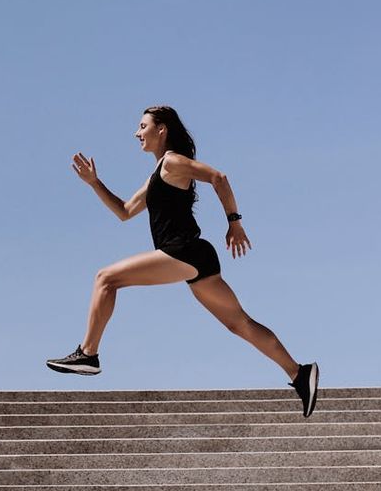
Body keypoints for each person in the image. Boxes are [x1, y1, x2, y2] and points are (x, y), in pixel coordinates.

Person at [46, 105, 319, 418]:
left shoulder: (173, 161)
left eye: (142, 126)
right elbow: (124, 211)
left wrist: (234, 222)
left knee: (106, 278)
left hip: (183, 252)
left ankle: (88, 355)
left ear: (162, 129)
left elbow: (218, 177)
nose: (137, 133)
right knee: (239, 323)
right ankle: (299, 374)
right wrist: (95, 182)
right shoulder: (157, 175)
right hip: (197, 258)